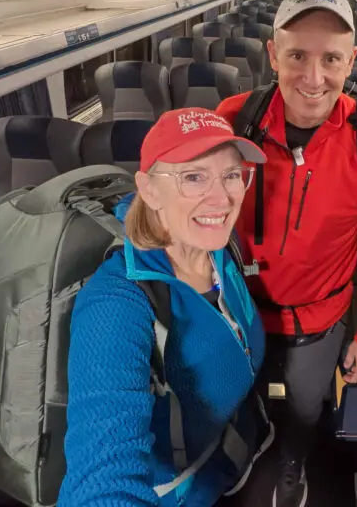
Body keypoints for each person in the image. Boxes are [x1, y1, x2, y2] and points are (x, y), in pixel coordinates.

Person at [216, 0, 357, 507]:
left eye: (330, 59)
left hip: (319, 318)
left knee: (304, 409)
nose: (313, 77)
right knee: (239, 400)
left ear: (352, 62)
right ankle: (247, 456)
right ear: (273, 54)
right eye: (297, 55)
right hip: (240, 309)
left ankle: (294, 465)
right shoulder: (233, 120)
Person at [58, 108, 275, 506]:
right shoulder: (117, 305)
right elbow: (103, 471)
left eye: (231, 174)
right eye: (193, 176)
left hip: (231, 448)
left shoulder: (220, 248)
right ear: (150, 189)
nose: (222, 197)